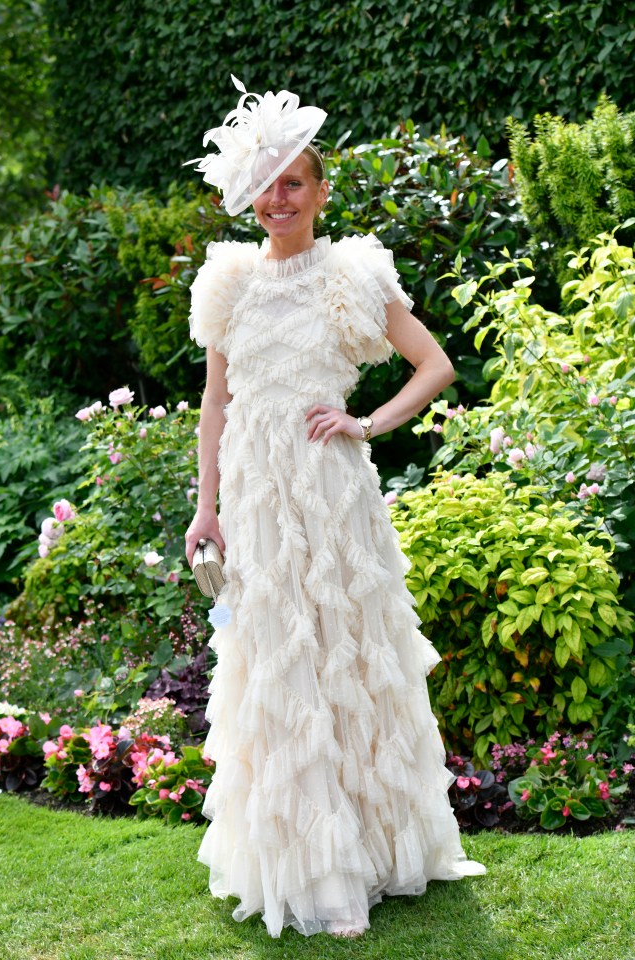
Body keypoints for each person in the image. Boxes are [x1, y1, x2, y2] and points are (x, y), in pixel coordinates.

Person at [184, 76, 485, 940]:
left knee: (348, 658)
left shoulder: (352, 272)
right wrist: (206, 510)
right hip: (254, 492)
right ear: (250, 196)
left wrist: (367, 421)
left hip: (328, 487)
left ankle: (377, 855)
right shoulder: (229, 282)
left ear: (318, 190)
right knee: (280, 661)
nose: (278, 199)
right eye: (266, 184)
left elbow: (434, 366)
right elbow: (216, 405)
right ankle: (305, 866)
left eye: (294, 183)